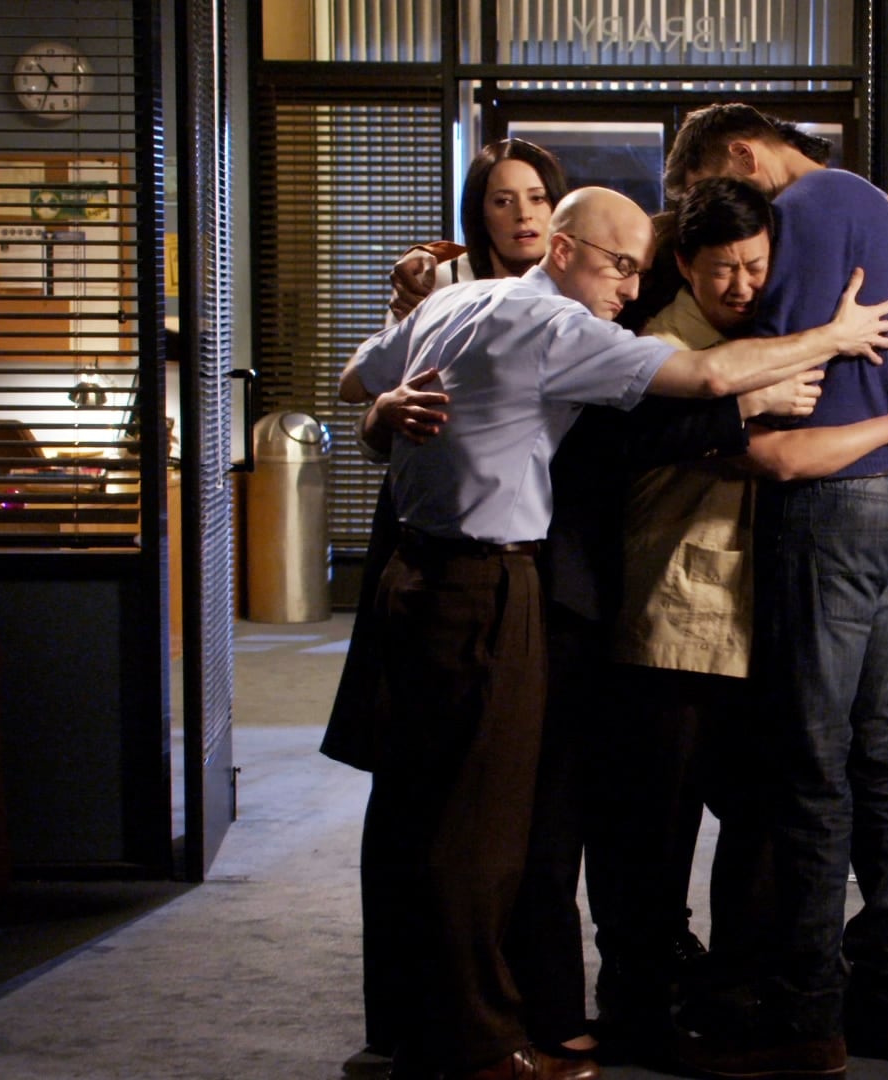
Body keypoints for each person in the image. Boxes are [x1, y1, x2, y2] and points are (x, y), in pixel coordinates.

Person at [338, 184, 888, 1080]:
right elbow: (706, 384)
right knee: (485, 833)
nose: (629, 287)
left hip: (432, 576)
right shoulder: (556, 325)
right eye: (620, 266)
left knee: (452, 820)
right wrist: (837, 340)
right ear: (563, 250)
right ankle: (477, 1043)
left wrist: (381, 411)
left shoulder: (463, 300)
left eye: (639, 269)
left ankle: (447, 1031)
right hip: (492, 582)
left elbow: (355, 380)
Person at [593, 176, 888, 1056]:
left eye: (757, 266)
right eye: (723, 269)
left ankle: (745, 990)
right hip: (676, 617)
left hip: (756, 618)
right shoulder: (666, 344)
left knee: (767, 818)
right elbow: (774, 457)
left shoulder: (770, 333)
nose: (743, 284)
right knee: (658, 828)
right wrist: (887, 425)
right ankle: (643, 1005)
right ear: (685, 265)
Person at [322, 136, 570, 1080]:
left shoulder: (579, 294)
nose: (523, 213)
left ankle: (518, 1017)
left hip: (535, 563)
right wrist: (380, 412)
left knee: (516, 817)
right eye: (503, 199)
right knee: (415, 802)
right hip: (432, 556)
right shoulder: (443, 291)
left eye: (536, 196)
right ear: (479, 212)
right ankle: (409, 1025)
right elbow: (366, 398)